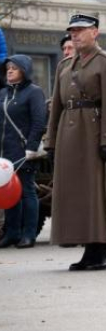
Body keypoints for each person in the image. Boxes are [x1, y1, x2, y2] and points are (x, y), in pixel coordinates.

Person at [45, 13, 106, 270]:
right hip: (68, 133)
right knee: (76, 194)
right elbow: (57, 107)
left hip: (94, 132)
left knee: (97, 193)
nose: (75, 34)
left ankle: (102, 250)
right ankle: (89, 247)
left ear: (95, 32)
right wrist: (50, 141)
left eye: (81, 30)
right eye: (72, 30)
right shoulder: (65, 65)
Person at [0, 55, 47, 249]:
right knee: (8, 191)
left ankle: (29, 234)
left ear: (24, 71)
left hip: (23, 151)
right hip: (5, 152)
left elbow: (38, 122)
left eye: (14, 68)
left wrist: (31, 147)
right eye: (8, 68)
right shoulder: (3, 93)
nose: (9, 71)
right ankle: (12, 233)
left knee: (26, 191)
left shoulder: (34, 92)